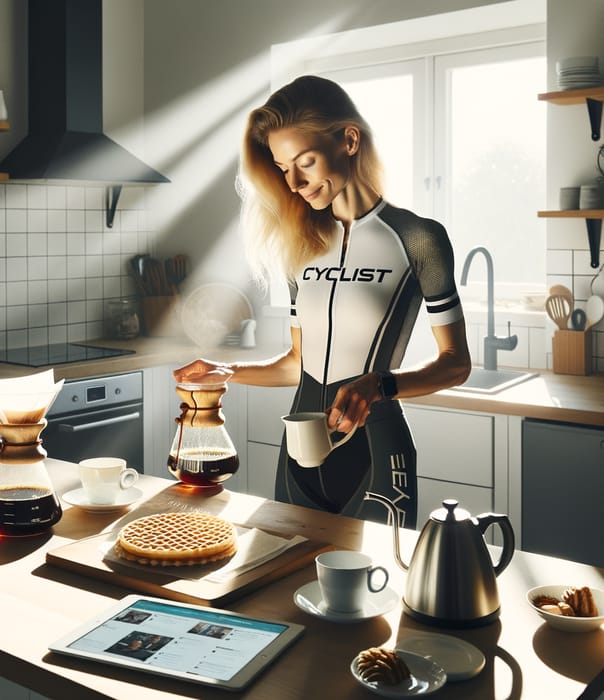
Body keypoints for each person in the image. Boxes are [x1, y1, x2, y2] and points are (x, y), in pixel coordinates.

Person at [173, 75, 471, 529]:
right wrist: (228, 371)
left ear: (348, 140)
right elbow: (297, 363)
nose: (293, 182)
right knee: (281, 591)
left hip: (376, 454)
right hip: (299, 452)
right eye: (282, 168)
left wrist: (380, 385)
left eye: (305, 161)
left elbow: (456, 363)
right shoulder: (302, 246)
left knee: (377, 591)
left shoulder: (418, 238)